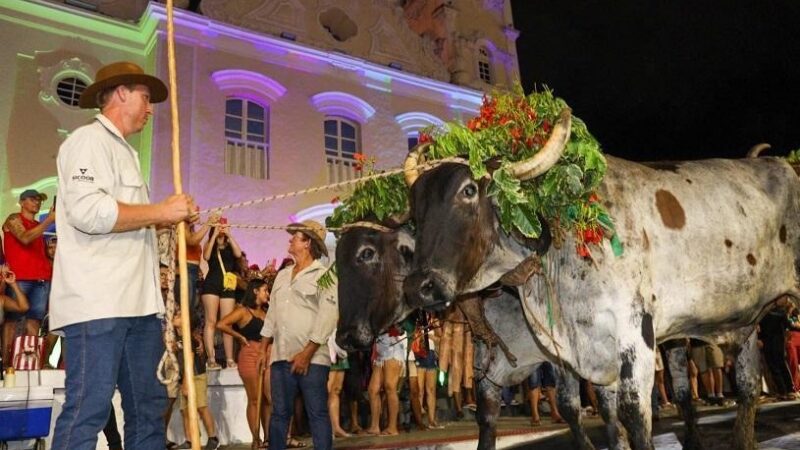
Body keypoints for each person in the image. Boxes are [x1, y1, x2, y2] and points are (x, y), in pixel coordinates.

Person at [49, 61, 197, 450]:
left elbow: (123, 218)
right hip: (99, 302)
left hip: (139, 306)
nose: (151, 109)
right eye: (146, 98)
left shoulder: (126, 153)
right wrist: (160, 212)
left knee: (148, 411)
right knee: (88, 411)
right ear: (120, 93)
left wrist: (161, 222)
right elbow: (88, 212)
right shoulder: (87, 141)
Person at [260, 220, 337, 450]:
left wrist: (307, 352)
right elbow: (272, 314)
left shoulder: (325, 276)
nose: (290, 239)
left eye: (296, 236)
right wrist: (264, 348)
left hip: (312, 359)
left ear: (307, 243)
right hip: (281, 356)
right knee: (279, 414)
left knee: (317, 413)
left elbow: (328, 316)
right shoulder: (282, 275)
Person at [217, 279, 271, 447]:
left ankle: (269, 437)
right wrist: (239, 336)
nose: (267, 294)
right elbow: (221, 324)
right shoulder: (243, 311)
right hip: (249, 354)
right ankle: (256, 438)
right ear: (255, 291)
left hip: (268, 353)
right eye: (265, 290)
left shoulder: (267, 312)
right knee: (255, 399)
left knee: (269, 398)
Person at [2, 189, 54, 362]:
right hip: (20, 278)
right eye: (32, 199)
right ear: (22, 202)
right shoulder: (13, 219)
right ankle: (7, 365)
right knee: (13, 321)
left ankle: (29, 363)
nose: (37, 202)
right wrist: (49, 220)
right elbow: (24, 238)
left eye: (39, 200)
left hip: (41, 279)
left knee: (34, 322)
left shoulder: (38, 225)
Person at [172, 308, 220, 450]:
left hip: (195, 376)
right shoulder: (177, 337)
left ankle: (212, 437)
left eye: (179, 316)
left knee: (201, 406)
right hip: (184, 378)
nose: (176, 316)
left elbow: (190, 359)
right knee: (184, 410)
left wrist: (186, 382)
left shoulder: (190, 338)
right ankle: (190, 439)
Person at [201, 223, 242, 369]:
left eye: (223, 226)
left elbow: (238, 254)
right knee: (211, 321)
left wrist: (229, 235)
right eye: (219, 227)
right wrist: (213, 237)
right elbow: (206, 256)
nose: (222, 229)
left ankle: (230, 359)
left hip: (228, 286)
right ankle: (211, 358)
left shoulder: (230, 244)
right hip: (212, 283)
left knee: (227, 323)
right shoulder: (209, 243)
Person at [366, 326, 406, 435]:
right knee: (373, 390)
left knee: (390, 387)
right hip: (380, 348)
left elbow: (402, 328)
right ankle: (374, 426)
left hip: (392, 347)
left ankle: (392, 427)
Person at [527, 362, 564, 426]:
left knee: (551, 381)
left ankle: (555, 413)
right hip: (532, 355)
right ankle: (535, 416)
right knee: (534, 381)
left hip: (547, 354)